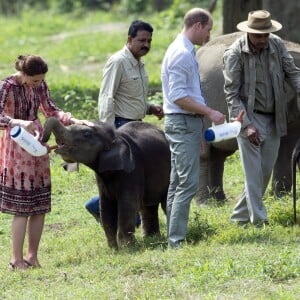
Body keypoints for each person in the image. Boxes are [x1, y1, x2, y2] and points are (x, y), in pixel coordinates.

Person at [0, 54, 91, 270]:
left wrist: (73, 119)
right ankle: (16, 259)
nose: (38, 84)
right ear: (23, 74)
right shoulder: (7, 86)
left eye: (41, 80)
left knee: (39, 205)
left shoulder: (40, 84)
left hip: (37, 145)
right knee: (22, 207)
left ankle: (32, 256)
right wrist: (18, 121)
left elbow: (50, 108)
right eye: (34, 81)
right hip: (17, 146)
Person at [223, 10, 300, 226]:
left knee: (263, 174)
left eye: (266, 34)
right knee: (253, 173)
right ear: (249, 33)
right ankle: (259, 222)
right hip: (248, 117)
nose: (262, 39)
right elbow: (231, 94)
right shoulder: (234, 53)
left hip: (275, 117)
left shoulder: (276, 44)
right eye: (258, 35)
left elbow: (293, 72)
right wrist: (246, 126)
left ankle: (238, 218)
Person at [85, 20, 163, 225]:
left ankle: (127, 216)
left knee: (135, 178)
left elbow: (130, 97)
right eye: (141, 40)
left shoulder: (139, 63)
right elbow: (106, 97)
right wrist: (109, 134)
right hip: (120, 128)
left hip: (136, 126)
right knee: (125, 181)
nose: (145, 44)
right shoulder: (118, 62)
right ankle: (97, 206)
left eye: (149, 41)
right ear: (129, 39)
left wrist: (150, 107)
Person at [161, 8, 226, 248]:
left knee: (177, 182)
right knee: (187, 183)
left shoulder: (184, 50)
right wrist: (209, 112)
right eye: (208, 29)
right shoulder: (182, 54)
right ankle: (176, 241)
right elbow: (178, 96)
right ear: (197, 25)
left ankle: (172, 236)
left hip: (187, 123)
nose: (208, 35)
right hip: (182, 122)